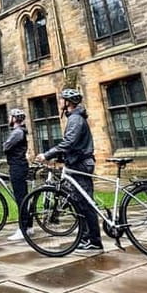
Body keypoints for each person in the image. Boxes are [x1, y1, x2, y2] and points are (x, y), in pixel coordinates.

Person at [35, 88, 102, 253]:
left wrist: (47, 154)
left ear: (68, 102)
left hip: (80, 164)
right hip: (76, 162)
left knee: (85, 204)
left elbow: (69, 142)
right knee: (80, 202)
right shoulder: (74, 118)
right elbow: (73, 145)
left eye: (61, 99)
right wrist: (60, 159)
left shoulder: (75, 119)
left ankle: (94, 241)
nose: (59, 103)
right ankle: (87, 237)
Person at [3, 108, 34, 241]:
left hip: (17, 166)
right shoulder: (19, 131)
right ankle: (29, 226)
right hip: (20, 165)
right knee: (24, 197)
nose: (9, 119)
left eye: (10, 116)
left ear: (15, 118)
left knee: (20, 198)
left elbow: (5, 146)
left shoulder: (17, 132)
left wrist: (6, 145)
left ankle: (23, 229)